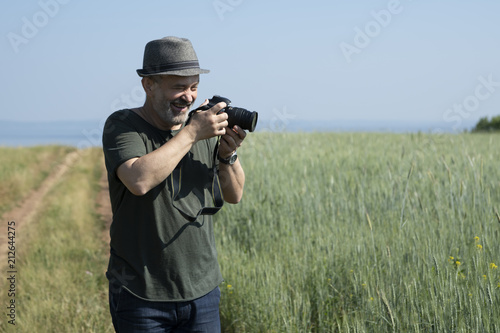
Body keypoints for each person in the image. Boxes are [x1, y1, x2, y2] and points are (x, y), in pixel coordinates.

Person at [102, 36, 247, 332]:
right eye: (178, 87)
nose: (189, 97)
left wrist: (227, 155)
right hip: (141, 293)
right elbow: (138, 180)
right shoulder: (123, 125)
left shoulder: (203, 128)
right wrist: (193, 133)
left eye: (193, 87)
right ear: (149, 85)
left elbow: (234, 195)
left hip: (202, 290)